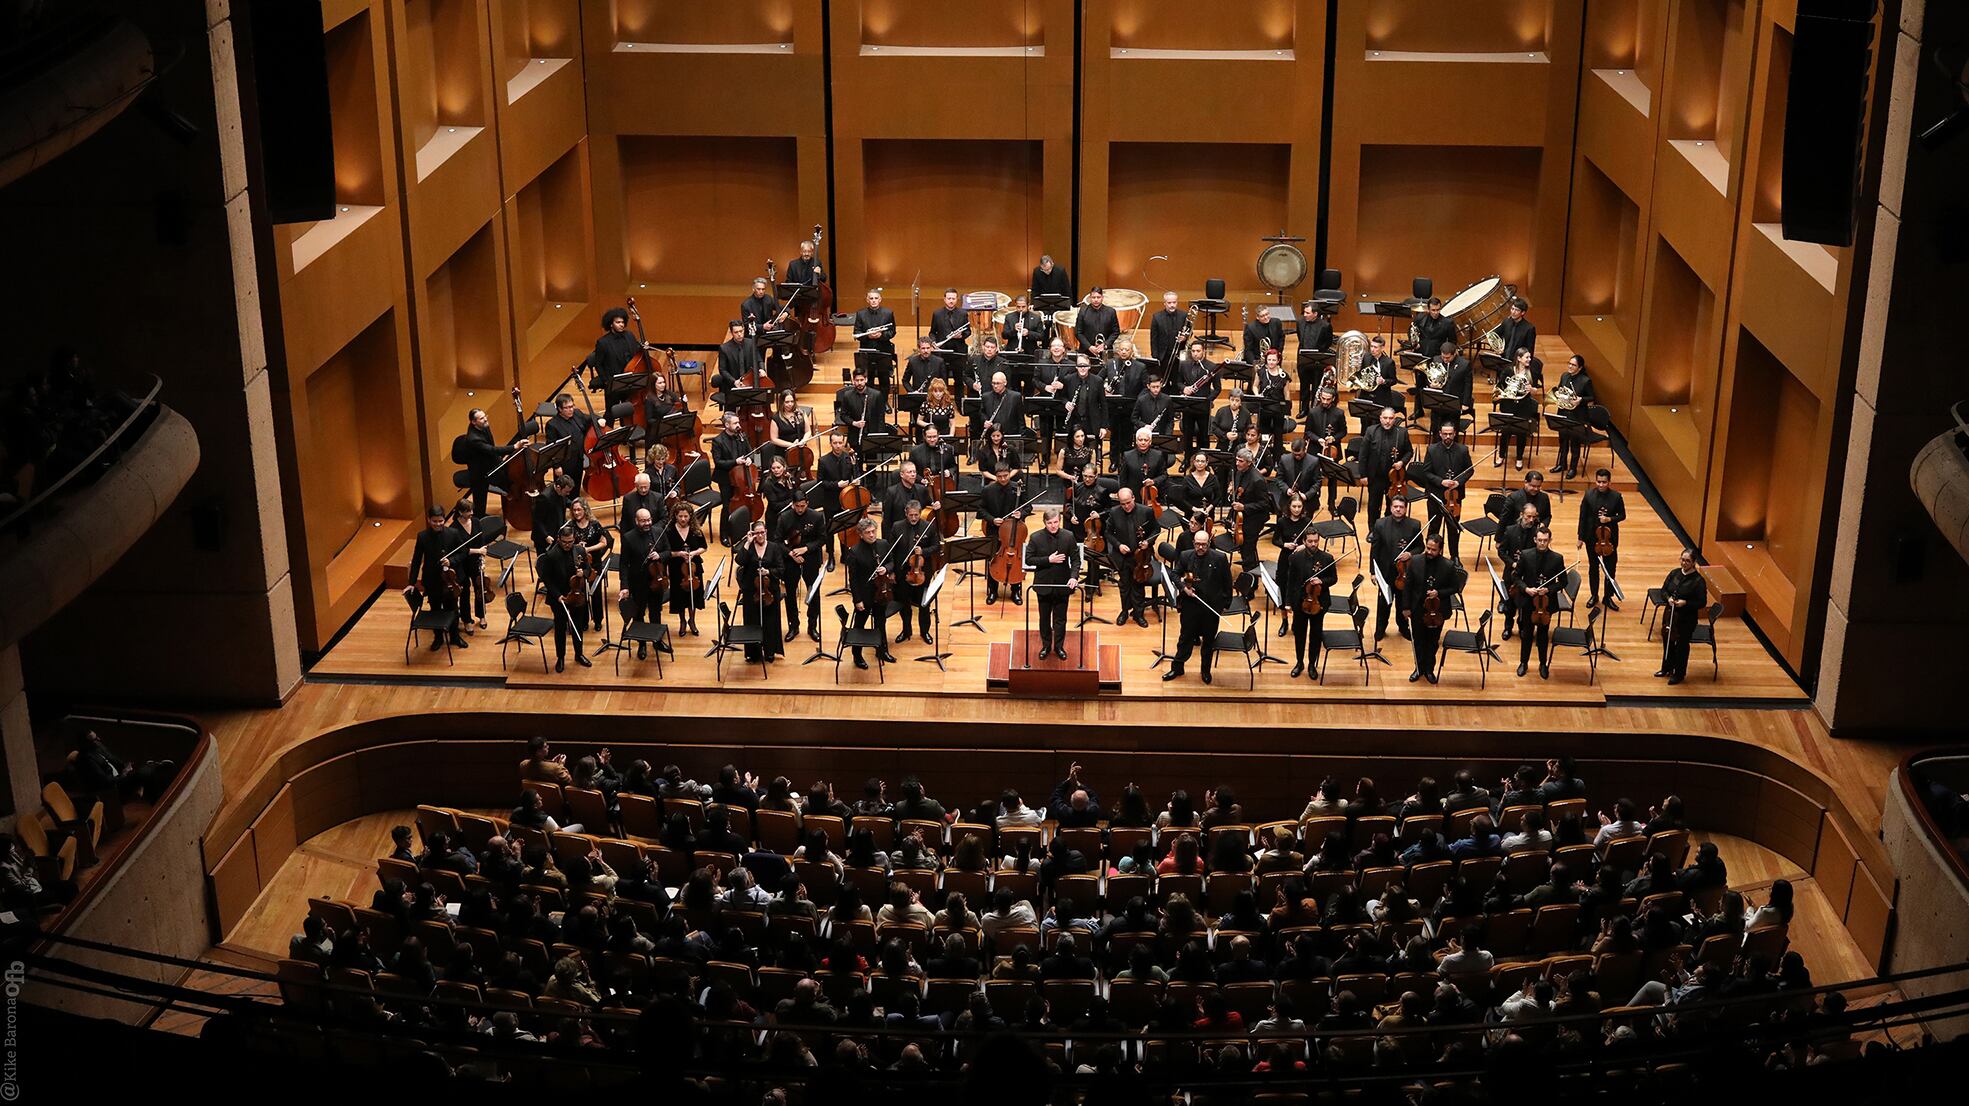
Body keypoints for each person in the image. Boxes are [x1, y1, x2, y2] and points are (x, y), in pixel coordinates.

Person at [1165, 527, 1232, 684]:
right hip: (1191, 605)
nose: (1200, 548)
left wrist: (1225, 604)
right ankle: (1177, 667)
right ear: (1193, 543)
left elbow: (1227, 582)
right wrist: (1184, 588)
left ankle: (1205, 671)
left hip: (1211, 606)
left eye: (1203, 544)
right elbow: (1174, 574)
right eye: (1197, 544)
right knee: (1185, 638)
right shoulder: (1185, 555)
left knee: (1208, 641)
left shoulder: (1219, 558)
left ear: (1209, 543)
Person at [407, 505, 466, 651]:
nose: (438, 524)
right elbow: (416, 560)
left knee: (452, 609)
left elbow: (463, 553)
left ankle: (455, 637)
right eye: (434, 521)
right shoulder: (422, 537)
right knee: (435, 610)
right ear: (429, 520)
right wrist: (411, 582)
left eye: (440, 521)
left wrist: (451, 561)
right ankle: (438, 638)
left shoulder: (453, 533)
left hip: (450, 580)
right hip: (432, 580)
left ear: (444, 519)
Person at [1023, 507, 1080, 659]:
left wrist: (1074, 577)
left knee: (1060, 619)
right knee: (1044, 618)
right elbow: (1028, 559)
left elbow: (1075, 560)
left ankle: (1059, 647)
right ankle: (1046, 646)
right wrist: (1048, 560)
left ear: (1059, 521)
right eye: (1050, 523)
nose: (1053, 526)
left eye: (1056, 522)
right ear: (1045, 523)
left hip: (1062, 584)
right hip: (1044, 585)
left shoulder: (1068, 536)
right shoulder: (1036, 537)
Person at [885, 497, 940, 645]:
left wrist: (923, 551)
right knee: (904, 604)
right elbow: (890, 551)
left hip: (922, 573)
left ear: (920, 513)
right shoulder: (897, 527)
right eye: (911, 515)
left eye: (916, 515)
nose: (914, 518)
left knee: (924, 604)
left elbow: (936, 547)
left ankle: (924, 631)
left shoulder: (928, 526)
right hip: (903, 572)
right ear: (906, 513)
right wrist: (892, 571)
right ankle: (906, 630)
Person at [774, 484, 826, 643]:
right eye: (797, 506)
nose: (800, 509)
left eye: (803, 506)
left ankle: (812, 626)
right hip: (790, 559)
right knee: (790, 593)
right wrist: (791, 553)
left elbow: (822, 539)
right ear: (792, 504)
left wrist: (806, 548)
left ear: (807, 504)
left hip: (810, 558)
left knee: (813, 592)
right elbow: (777, 541)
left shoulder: (816, 517)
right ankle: (793, 626)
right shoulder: (784, 518)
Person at [1406, 535, 1461, 684]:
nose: (1430, 552)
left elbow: (1455, 587)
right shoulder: (1415, 561)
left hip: (1437, 611)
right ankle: (1418, 668)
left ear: (1440, 550)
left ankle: (1429, 669)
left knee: (1432, 641)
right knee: (1418, 640)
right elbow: (1408, 586)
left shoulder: (1448, 566)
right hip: (1418, 608)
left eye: (1434, 550)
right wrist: (1406, 607)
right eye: (1428, 548)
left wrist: (1439, 593)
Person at [1283, 528, 1338, 678]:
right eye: (1310, 541)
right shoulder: (1295, 558)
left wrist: (1322, 581)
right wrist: (1287, 602)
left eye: (1316, 541)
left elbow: (1333, 578)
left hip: (1318, 603)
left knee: (1315, 635)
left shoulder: (1327, 558)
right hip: (1300, 602)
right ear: (1304, 542)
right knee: (1299, 634)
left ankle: (1312, 664)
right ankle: (1299, 662)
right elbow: (1291, 581)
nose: (1313, 544)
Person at [841, 517, 894, 669]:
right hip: (865, 596)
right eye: (868, 533)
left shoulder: (883, 544)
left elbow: (891, 562)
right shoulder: (855, 552)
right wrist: (857, 600)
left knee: (881, 622)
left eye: (873, 531)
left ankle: (881, 650)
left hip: (881, 593)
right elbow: (854, 579)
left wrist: (887, 569)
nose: (872, 535)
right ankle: (857, 655)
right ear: (861, 534)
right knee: (860, 625)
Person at [1368, 493, 1422, 641]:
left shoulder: (1414, 525)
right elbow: (1375, 550)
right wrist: (1373, 572)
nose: (1398, 509)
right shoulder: (1380, 524)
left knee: (1403, 602)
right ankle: (1380, 629)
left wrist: (1410, 554)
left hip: (1404, 573)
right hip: (1385, 572)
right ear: (1391, 507)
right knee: (1384, 603)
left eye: (1401, 507)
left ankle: (1403, 627)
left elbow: (1420, 547)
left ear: (1406, 509)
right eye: (1395, 506)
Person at [1416, 421, 1472, 561]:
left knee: (1453, 528)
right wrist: (1441, 481)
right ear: (1440, 434)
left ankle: (1455, 556)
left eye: (1450, 434)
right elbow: (1426, 472)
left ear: (1454, 434)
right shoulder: (1432, 449)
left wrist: (1458, 482)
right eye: (1445, 434)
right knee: (1434, 526)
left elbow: (1470, 470)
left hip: (1454, 497)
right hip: (1436, 495)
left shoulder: (1463, 450)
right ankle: (1431, 554)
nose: (1447, 436)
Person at [536, 527, 591, 671]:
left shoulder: (579, 551)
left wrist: (583, 573)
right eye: (565, 542)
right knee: (560, 629)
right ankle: (560, 658)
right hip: (560, 597)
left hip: (577, 596)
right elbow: (546, 579)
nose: (568, 545)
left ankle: (579, 654)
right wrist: (557, 595)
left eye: (571, 541)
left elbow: (588, 569)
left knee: (577, 626)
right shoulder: (551, 555)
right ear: (559, 539)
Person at [1104, 485, 1159, 627]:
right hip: (1122, 556)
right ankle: (1124, 611)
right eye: (1122, 504)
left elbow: (1156, 529)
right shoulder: (1114, 512)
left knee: (1138, 585)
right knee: (1124, 585)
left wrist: (1148, 541)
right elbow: (1108, 533)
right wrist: (1118, 545)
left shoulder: (1146, 511)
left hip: (1140, 556)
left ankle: (1138, 614)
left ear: (1133, 498)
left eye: (1128, 502)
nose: (1126, 506)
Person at [734, 518, 787, 663]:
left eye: (762, 532)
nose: (760, 536)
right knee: (752, 621)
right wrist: (747, 542)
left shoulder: (774, 547)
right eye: (757, 533)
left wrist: (768, 572)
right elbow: (739, 561)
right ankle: (753, 653)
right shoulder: (749, 547)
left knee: (770, 622)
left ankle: (770, 651)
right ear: (752, 534)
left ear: (766, 532)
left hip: (770, 592)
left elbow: (781, 569)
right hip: (752, 591)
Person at [1514, 526, 1564, 679]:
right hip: (1529, 602)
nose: (1542, 543)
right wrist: (1526, 589)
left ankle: (1543, 664)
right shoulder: (1526, 555)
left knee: (1543, 636)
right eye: (1540, 540)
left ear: (1550, 540)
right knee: (1527, 634)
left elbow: (1563, 582)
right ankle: (1523, 662)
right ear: (1535, 540)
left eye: (1545, 541)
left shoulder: (1557, 558)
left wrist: (1548, 590)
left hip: (1546, 604)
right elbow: (1516, 578)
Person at [617, 507, 664, 657]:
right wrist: (624, 586)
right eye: (643, 521)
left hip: (656, 579)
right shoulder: (628, 537)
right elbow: (623, 563)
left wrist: (660, 555)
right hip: (638, 582)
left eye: (649, 520)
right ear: (636, 521)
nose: (647, 523)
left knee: (656, 612)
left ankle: (657, 641)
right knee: (639, 614)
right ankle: (641, 644)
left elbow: (668, 551)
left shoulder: (658, 532)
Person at [1578, 468, 1626, 611]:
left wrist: (1609, 518)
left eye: (1604, 482)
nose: (1601, 485)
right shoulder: (1588, 495)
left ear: (1609, 482)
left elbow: (1622, 515)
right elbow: (1583, 517)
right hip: (1592, 537)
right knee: (1594, 567)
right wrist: (1580, 537)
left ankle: (1608, 597)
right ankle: (1594, 595)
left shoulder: (1616, 497)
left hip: (1609, 539)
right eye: (1598, 482)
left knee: (1610, 568)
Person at [1658, 547, 1708, 685]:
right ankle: (1666, 668)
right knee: (1667, 642)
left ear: (1694, 563)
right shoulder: (1674, 573)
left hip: (1686, 619)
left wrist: (1685, 603)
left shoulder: (1698, 581)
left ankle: (1679, 674)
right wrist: (1668, 598)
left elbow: (1702, 602)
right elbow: (1663, 590)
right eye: (1682, 560)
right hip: (1670, 615)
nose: (1684, 563)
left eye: (1687, 561)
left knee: (1681, 646)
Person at [656, 502, 707, 637]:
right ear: (675, 516)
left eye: (686, 516)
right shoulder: (669, 531)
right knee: (679, 596)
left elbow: (704, 547)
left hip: (694, 568)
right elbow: (666, 552)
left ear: (690, 516)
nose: (683, 519)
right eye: (680, 516)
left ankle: (692, 620)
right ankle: (683, 621)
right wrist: (678, 554)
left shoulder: (696, 530)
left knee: (693, 595)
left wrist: (694, 553)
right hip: (677, 568)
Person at [980, 467, 1028, 606]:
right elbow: (980, 510)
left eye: (1005, 476)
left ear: (1009, 474)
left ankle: (1016, 590)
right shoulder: (988, 490)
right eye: (999, 476)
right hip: (995, 531)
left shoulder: (1017, 488)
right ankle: (993, 590)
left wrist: (1021, 514)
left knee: (1017, 560)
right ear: (995, 476)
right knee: (993, 559)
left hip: (1014, 531)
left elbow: (1028, 507)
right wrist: (992, 519)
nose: (1003, 479)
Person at [1357, 406, 1412, 522]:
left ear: (1395, 419)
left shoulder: (1402, 433)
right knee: (1373, 506)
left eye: (1391, 418)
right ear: (1380, 418)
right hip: (1375, 476)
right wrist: (1363, 475)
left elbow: (1409, 451)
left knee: (1391, 505)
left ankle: (1389, 529)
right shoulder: (1371, 431)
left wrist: (1402, 462)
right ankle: (1373, 530)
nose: (1387, 421)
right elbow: (1363, 455)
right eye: (1385, 418)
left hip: (1394, 479)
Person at [1552, 353, 1597, 478]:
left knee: (1575, 443)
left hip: (1577, 416)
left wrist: (1580, 400)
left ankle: (1573, 468)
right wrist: (1559, 396)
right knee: (1563, 441)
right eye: (1569, 364)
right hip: (1563, 412)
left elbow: (1592, 397)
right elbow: (1560, 389)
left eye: (1573, 365)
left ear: (1580, 368)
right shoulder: (1565, 376)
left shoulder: (1585, 381)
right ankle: (1562, 464)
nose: (1570, 366)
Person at [1497, 346, 1543, 468]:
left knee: (1521, 433)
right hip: (1508, 405)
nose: (1529, 359)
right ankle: (1501, 456)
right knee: (1505, 432)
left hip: (1524, 406)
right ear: (1519, 358)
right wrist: (1505, 392)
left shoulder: (1532, 372)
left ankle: (1519, 458)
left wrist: (1531, 389)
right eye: (1527, 357)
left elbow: (1535, 391)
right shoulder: (1508, 370)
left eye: (1529, 357)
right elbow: (1500, 385)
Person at [832, 365, 886, 451]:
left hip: (872, 434)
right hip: (855, 435)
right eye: (857, 380)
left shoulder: (876, 395)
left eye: (862, 380)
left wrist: (879, 436)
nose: (859, 383)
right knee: (856, 462)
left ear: (866, 380)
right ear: (853, 381)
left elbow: (881, 417)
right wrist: (854, 423)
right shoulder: (847, 396)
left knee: (872, 462)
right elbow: (843, 415)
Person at [853, 288, 897, 363]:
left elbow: (892, 331)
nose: (874, 300)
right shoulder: (860, 314)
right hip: (866, 348)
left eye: (876, 298)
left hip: (884, 348)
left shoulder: (888, 313)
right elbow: (857, 332)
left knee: (884, 372)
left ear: (880, 299)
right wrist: (868, 336)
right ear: (867, 300)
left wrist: (881, 335)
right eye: (871, 298)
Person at [1076, 287, 1121, 352]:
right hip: (1086, 350)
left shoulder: (1111, 312)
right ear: (1090, 298)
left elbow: (1116, 331)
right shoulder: (1082, 312)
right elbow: (1078, 332)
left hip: (1105, 350)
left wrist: (1105, 344)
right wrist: (1089, 346)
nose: (1096, 300)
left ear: (1102, 297)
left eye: (1098, 297)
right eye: (1093, 297)